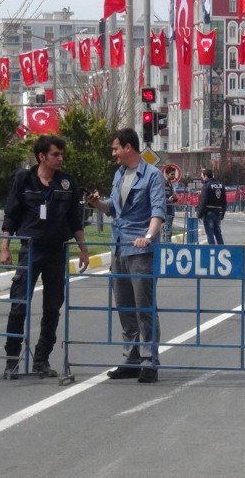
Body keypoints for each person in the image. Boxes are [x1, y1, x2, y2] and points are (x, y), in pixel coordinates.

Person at [0, 135, 89, 379]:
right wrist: (5, 247)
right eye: (55, 154)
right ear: (42, 156)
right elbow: (11, 215)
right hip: (30, 250)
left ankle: (42, 359)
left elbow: (74, 220)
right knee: (18, 305)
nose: (60, 158)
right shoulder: (23, 179)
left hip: (57, 251)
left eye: (61, 154)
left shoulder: (67, 183)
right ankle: (12, 360)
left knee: (52, 308)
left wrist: (83, 249)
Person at [86, 128, 166, 383]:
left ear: (128, 148)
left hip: (141, 250)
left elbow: (158, 211)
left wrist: (149, 236)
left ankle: (149, 361)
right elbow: (114, 209)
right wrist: (96, 203)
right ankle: (130, 359)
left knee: (144, 307)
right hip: (119, 247)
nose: (114, 153)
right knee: (124, 306)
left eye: (115, 148)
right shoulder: (120, 174)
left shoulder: (152, 175)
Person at [197, 168, 225, 244]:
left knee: (210, 234)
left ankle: (211, 251)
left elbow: (204, 201)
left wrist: (199, 214)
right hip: (218, 212)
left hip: (208, 212)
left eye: (202, 176)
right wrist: (223, 213)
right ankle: (221, 250)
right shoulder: (221, 185)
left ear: (206, 176)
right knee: (218, 233)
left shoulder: (206, 186)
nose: (202, 178)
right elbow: (224, 201)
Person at [161, 172, 177, 242]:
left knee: (169, 229)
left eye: (174, 174)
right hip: (166, 210)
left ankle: (168, 243)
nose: (174, 176)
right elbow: (161, 197)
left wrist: (175, 198)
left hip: (171, 210)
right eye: (172, 174)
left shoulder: (170, 184)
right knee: (166, 229)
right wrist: (168, 200)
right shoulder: (163, 183)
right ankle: (166, 245)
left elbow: (172, 198)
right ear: (167, 174)